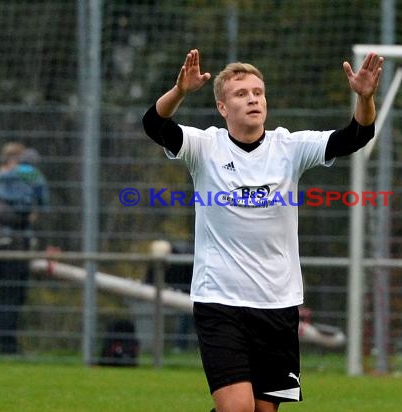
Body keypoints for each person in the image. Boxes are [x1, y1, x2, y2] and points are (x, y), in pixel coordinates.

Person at [142, 49, 383, 412]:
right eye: (241, 94)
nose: (253, 98)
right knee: (237, 408)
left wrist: (365, 98)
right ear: (223, 108)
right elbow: (154, 124)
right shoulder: (204, 147)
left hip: (277, 302)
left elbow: (357, 135)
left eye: (258, 91)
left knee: (262, 410)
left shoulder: (289, 147)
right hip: (219, 300)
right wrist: (179, 92)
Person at [0, 143, 49, 355]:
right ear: (11, 161)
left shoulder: (10, 183)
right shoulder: (2, 183)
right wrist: (26, 215)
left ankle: (5, 346)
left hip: (15, 243)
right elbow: (2, 214)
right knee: (10, 297)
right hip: (9, 244)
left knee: (14, 297)